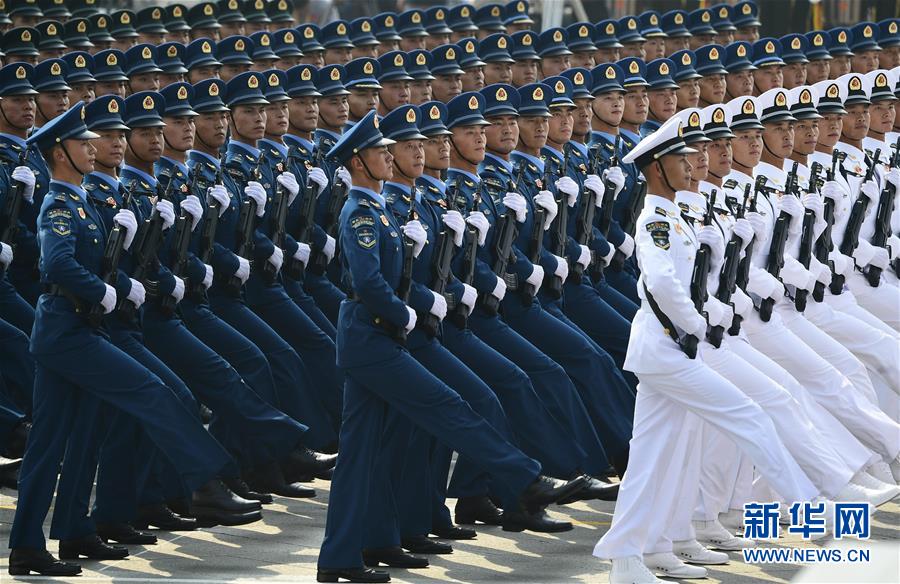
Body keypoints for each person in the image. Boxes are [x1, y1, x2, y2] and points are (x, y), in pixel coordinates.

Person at [316, 108, 586, 584]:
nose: (390, 157)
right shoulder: (360, 212)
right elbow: (368, 281)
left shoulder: (378, 208)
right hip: (371, 336)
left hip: (374, 335)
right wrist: (405, 313)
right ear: (358, 162)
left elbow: (395, 275)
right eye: (381, 152)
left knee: (363, 451)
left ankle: (354, 550)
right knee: (447, 405)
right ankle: (526, 479)